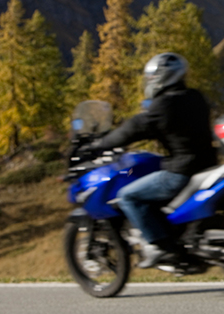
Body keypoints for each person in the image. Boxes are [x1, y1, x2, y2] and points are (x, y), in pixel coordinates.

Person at [87, 52, 217, 267]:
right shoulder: (196, 96)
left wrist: (102, 143)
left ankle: (161, 246)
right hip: (208, 166)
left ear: (161, 77)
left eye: (151, 78)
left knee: (128, 196)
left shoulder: (163, 105)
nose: (150, 82)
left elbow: (134, 127)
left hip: (181, 172)